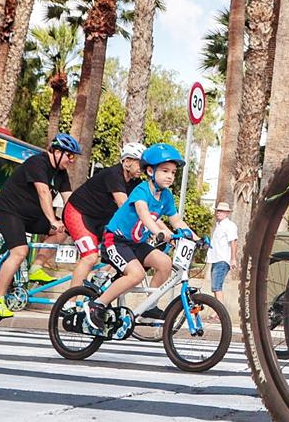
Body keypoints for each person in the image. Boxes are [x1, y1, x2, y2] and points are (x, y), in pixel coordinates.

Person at [91, 142, 192, 330]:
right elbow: (144, 214)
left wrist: (195, 237)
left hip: (136, 243)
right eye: (165, 171)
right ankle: (98, 304)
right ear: (150, 172)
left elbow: (177, 221)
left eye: (173, 172)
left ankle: (150, 306)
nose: (170, 176)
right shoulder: (141, 190)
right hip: (116, 240)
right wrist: (160, 232)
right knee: (136, 274)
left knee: (165, 263)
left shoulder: (167, 196)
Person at [0, 131, 80, 319]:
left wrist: (81, 226)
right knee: (19, 252)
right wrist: (52, 220)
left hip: (31, 216)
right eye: (69, 155)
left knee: (63, 231)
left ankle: (36, 267)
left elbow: (71, 201)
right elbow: (43, 192)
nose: (72, 160)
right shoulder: (38, 163)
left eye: (73, 156)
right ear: (57, 152)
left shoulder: (61, 174)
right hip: (9, 211)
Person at [62, 141, 141, 286]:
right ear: (127, 161)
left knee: (121, 248)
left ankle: (100, 278)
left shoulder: (135, 182)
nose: (142, 168)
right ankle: (69, 303)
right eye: (139, 163)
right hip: (78, 213)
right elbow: (124, 206)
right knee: (90, 257)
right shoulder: (114, 174)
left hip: (101, 219)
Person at [206, 200, 237, 294]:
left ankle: (220, 308)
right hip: (216, 259)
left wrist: (233, 259)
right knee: (215, 288)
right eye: (218, 210)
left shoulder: (229, 226)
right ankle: (218, 308)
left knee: (217, 287)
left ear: (227, 213)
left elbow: (234, 242)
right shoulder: (218, 226)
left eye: (222, 211)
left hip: (222, 260)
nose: (219, 212)